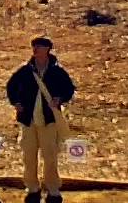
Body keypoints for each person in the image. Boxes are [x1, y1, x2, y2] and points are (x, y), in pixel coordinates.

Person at [5, 36, 76, 203]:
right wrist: (16, 102)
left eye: (39, 46)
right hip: (28, 121)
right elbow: (11, 86)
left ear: (47, 50)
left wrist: (60, 99)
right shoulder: (25, 70)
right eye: (34, 46)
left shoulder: (57, 71)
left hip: (48, 120)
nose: (35, 49)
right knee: (29, 156)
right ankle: (32, 188)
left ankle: (53, 189)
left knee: (50, 156)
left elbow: (69, 89)